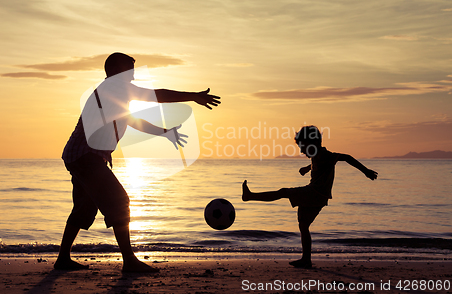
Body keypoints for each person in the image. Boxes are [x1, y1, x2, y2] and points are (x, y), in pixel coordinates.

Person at [56, 52, 221, 272]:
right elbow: (156, 95)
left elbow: (133, 121)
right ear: (116, 71)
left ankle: (62, 259)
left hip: (80, 156)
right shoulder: (114, 88)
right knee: (120, 202)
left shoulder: (113, 95)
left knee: (84, 208)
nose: (133, 76)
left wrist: (164, 132)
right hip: (86, 157)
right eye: (129, 71)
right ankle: (129, 261)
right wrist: (192, 96)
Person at [242, 125, 377, 269]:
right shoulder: (317, 155)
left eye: (302, 147)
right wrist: (307, 168)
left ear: (311, 143)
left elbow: (347, 158)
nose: (301, 151)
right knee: (303, 224)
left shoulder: (325, 155)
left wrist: (366, 171)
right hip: (319, 197)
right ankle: (306, 260)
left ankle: (250, 196)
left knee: (284, 192)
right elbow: (317, 162)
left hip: (314, 193)